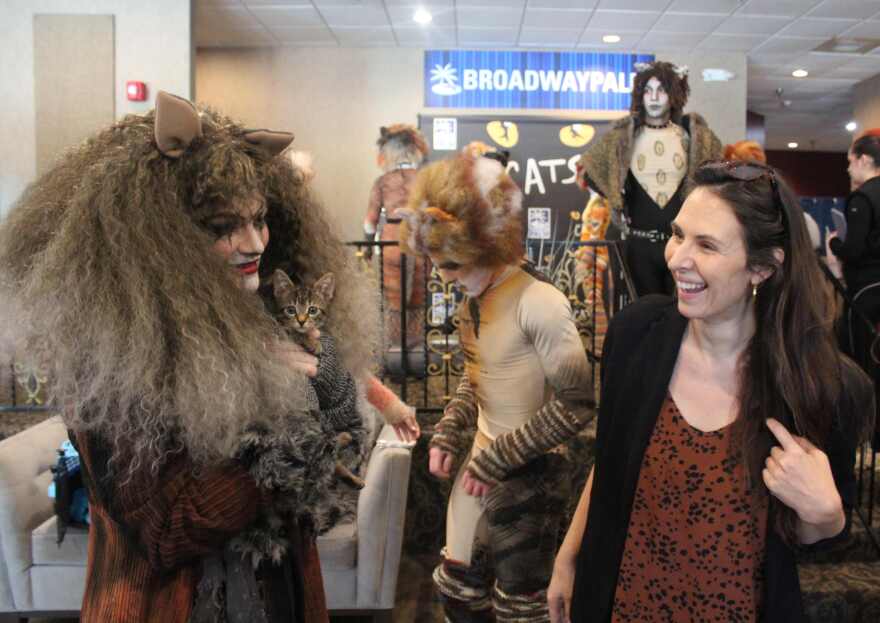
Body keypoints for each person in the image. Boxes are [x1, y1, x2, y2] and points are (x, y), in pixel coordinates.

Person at [0, 91, 380, 622]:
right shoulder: (114, 363)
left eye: (259, 220)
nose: (254, 244)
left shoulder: (264, 324)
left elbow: (317, 498)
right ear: (159, 241)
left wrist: (328, 389)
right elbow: (167, 534)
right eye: (223, 227)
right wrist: (296, 427)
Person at [548, 160, 874, 623]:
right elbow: (612, 458)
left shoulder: (821, 385)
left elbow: (821, 536)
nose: (677, 258)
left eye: (706, 245)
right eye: (678, 234)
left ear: (762, 267)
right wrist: (568, 557)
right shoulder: (637, 334)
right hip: (624, 602)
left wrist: (824, 511)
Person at [397, 152, 594, 622]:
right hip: (480, 467)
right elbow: (478, 374)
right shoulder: (476, 299)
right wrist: (451, 427)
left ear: (483, 245)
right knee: (460, 592)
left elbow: (577, 403)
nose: (442, 276)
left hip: (531, 477)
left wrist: (500, 457)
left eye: (450, 263)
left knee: (523, 606)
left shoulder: (540, 302)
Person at [576, 60, 722, 297]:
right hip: (638, 244)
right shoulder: (624, 135)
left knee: (683, 309)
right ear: (640, 95)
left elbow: (716, 169)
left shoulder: (693, 134)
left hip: (683, 242)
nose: (654, 97)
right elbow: (589, 171)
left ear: (673, 94)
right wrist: (617, 195)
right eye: (648, 90)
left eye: (661, 90)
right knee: (644, 309)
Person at [363, 124, 429, 350]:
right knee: (418, 297)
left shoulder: (383, 182)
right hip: (418, 241)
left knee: (393, 299)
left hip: (391, 241)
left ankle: (395, 350)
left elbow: (370, 221)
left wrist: (368, 249)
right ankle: (416, 349)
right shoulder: (423, 179)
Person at [827, 132, 880, 373]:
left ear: (865, 160)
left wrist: (835, 243)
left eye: (850, 161)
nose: (848, 169)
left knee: (857, 357)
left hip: (865, 293)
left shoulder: (863, 197)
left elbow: (854, 250)